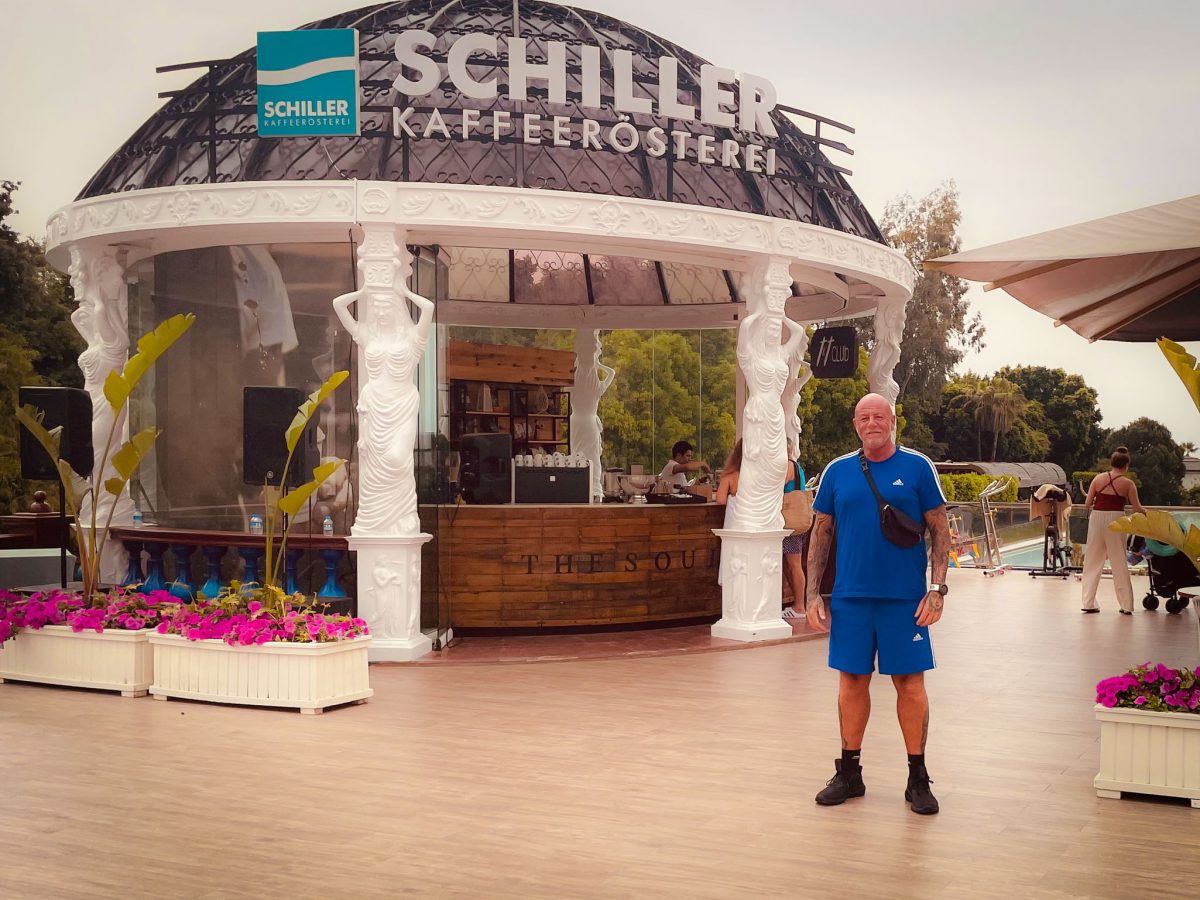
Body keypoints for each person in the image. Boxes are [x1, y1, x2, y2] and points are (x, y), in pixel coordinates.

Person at [805, 393, 951, 816]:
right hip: (851, 598)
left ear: (892, 421)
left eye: (879, 416)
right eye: (864, 417)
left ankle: (917, 778)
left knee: (910, 685)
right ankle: (849, 772)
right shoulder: (837, 471)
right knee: (852, 682)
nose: (872, 423)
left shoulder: (918, 467)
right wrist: (814, 593)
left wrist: (937, 590)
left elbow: (940, 531)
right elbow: (821, 533)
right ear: (856, 424)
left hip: (904, 599)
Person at [1081, 446, 1145, 614]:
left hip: (1096, 518)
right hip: (1116, 519)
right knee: (1119, 562)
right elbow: (1137, 508)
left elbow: (1087, 504)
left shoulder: (1097, 479)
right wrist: (1149, 514)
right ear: (1126, 466)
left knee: (1092, 561)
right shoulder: (1128, 483)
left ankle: (1088, 603)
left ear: (1112, 463)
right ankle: (1126, 605)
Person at [781, 440, 808, 616]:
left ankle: (799, 606)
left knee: (793, 564)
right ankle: (798, 604)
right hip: (797, 521)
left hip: (791, 522)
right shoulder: (796, 466)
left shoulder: (787, 465)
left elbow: (775, 487)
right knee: (790, 564)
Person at [715, 440, 742, 587]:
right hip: (754, 526)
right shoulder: (760, 477)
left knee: (731, 562)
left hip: (733, 526)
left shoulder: (730, 477)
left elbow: (720, 500)